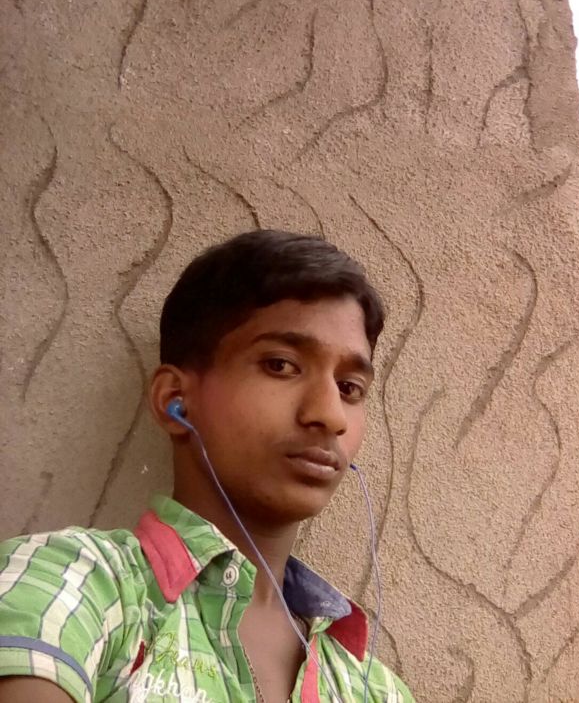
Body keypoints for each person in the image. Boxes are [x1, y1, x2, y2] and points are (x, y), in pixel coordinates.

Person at [0, 230, 415, 702]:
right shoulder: (74, 582)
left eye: (349, 388)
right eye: (281, 365)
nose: (330, 414)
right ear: (174, 400)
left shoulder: (373, 687)